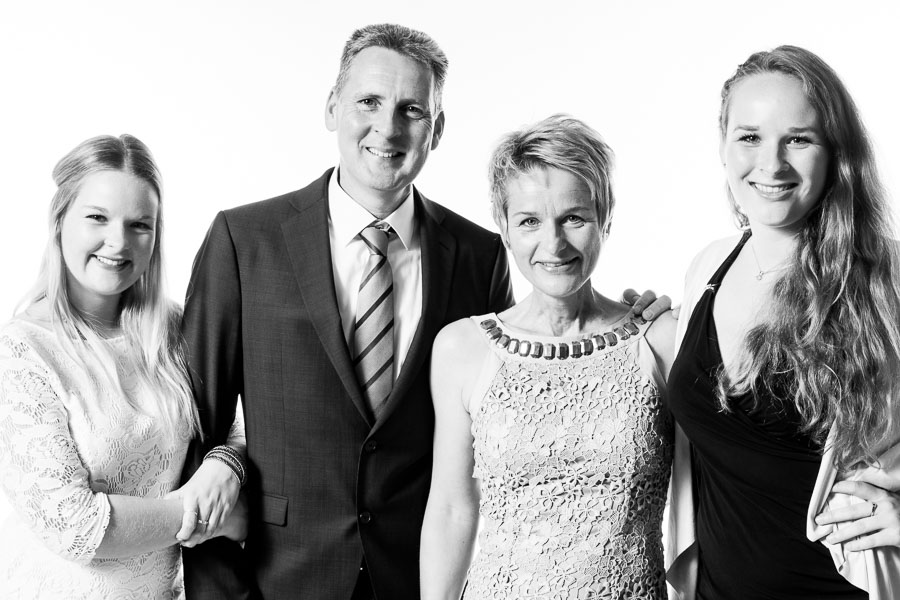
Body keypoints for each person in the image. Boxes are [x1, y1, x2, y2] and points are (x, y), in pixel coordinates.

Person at [180, 24, 669, 600]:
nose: (388, 128)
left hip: (414, 579)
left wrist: (630, 332)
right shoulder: (244, 241)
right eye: (368, 101)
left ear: (436, 129)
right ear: (332, 107)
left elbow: (513, 411)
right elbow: (195, 434)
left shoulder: (478, 254)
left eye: (411, 109)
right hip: (281, 580)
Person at [666, 45, 900, 599]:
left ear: (836, 152)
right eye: (749, 136)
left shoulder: (885, 281)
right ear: (722, 144)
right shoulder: (707, 267)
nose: (771, 164)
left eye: (799, 139)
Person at [420, 114, 678, 599]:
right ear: (504, 229)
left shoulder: (660, 341)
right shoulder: (461, 349)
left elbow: (719, 490)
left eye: (574, 218)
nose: (554, 244)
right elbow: (452, 509)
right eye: (530, 222)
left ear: (606, 218)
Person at [0, 134, 246, 599]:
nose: (118, 242)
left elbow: (234, 426)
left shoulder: (173, 330)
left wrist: (225, 465)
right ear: (60, 220)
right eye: (97, 217)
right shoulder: (21, 351)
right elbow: (75, 526)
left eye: (139, 225)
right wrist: (220, 515)